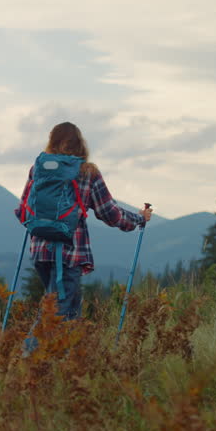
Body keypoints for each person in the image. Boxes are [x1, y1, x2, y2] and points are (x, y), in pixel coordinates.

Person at [15, 122, 153, 320]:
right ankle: (33, 342)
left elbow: (22, 210)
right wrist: (139, 218)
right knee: (55, 317)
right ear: (81, 144)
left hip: (40, 251)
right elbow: (109, 212)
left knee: (68, 313)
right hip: (69, 253)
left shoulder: (38, 168)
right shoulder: (87, 172)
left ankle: (70, 341)